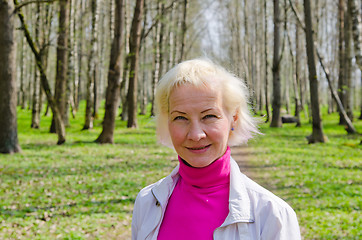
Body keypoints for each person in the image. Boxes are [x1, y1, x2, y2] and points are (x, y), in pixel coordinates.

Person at [131, 58, 301, 240]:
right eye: (181, 118)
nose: (196, 135)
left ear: (233, 119)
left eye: (209, 116)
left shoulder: (273, 215)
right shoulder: (146, 202)